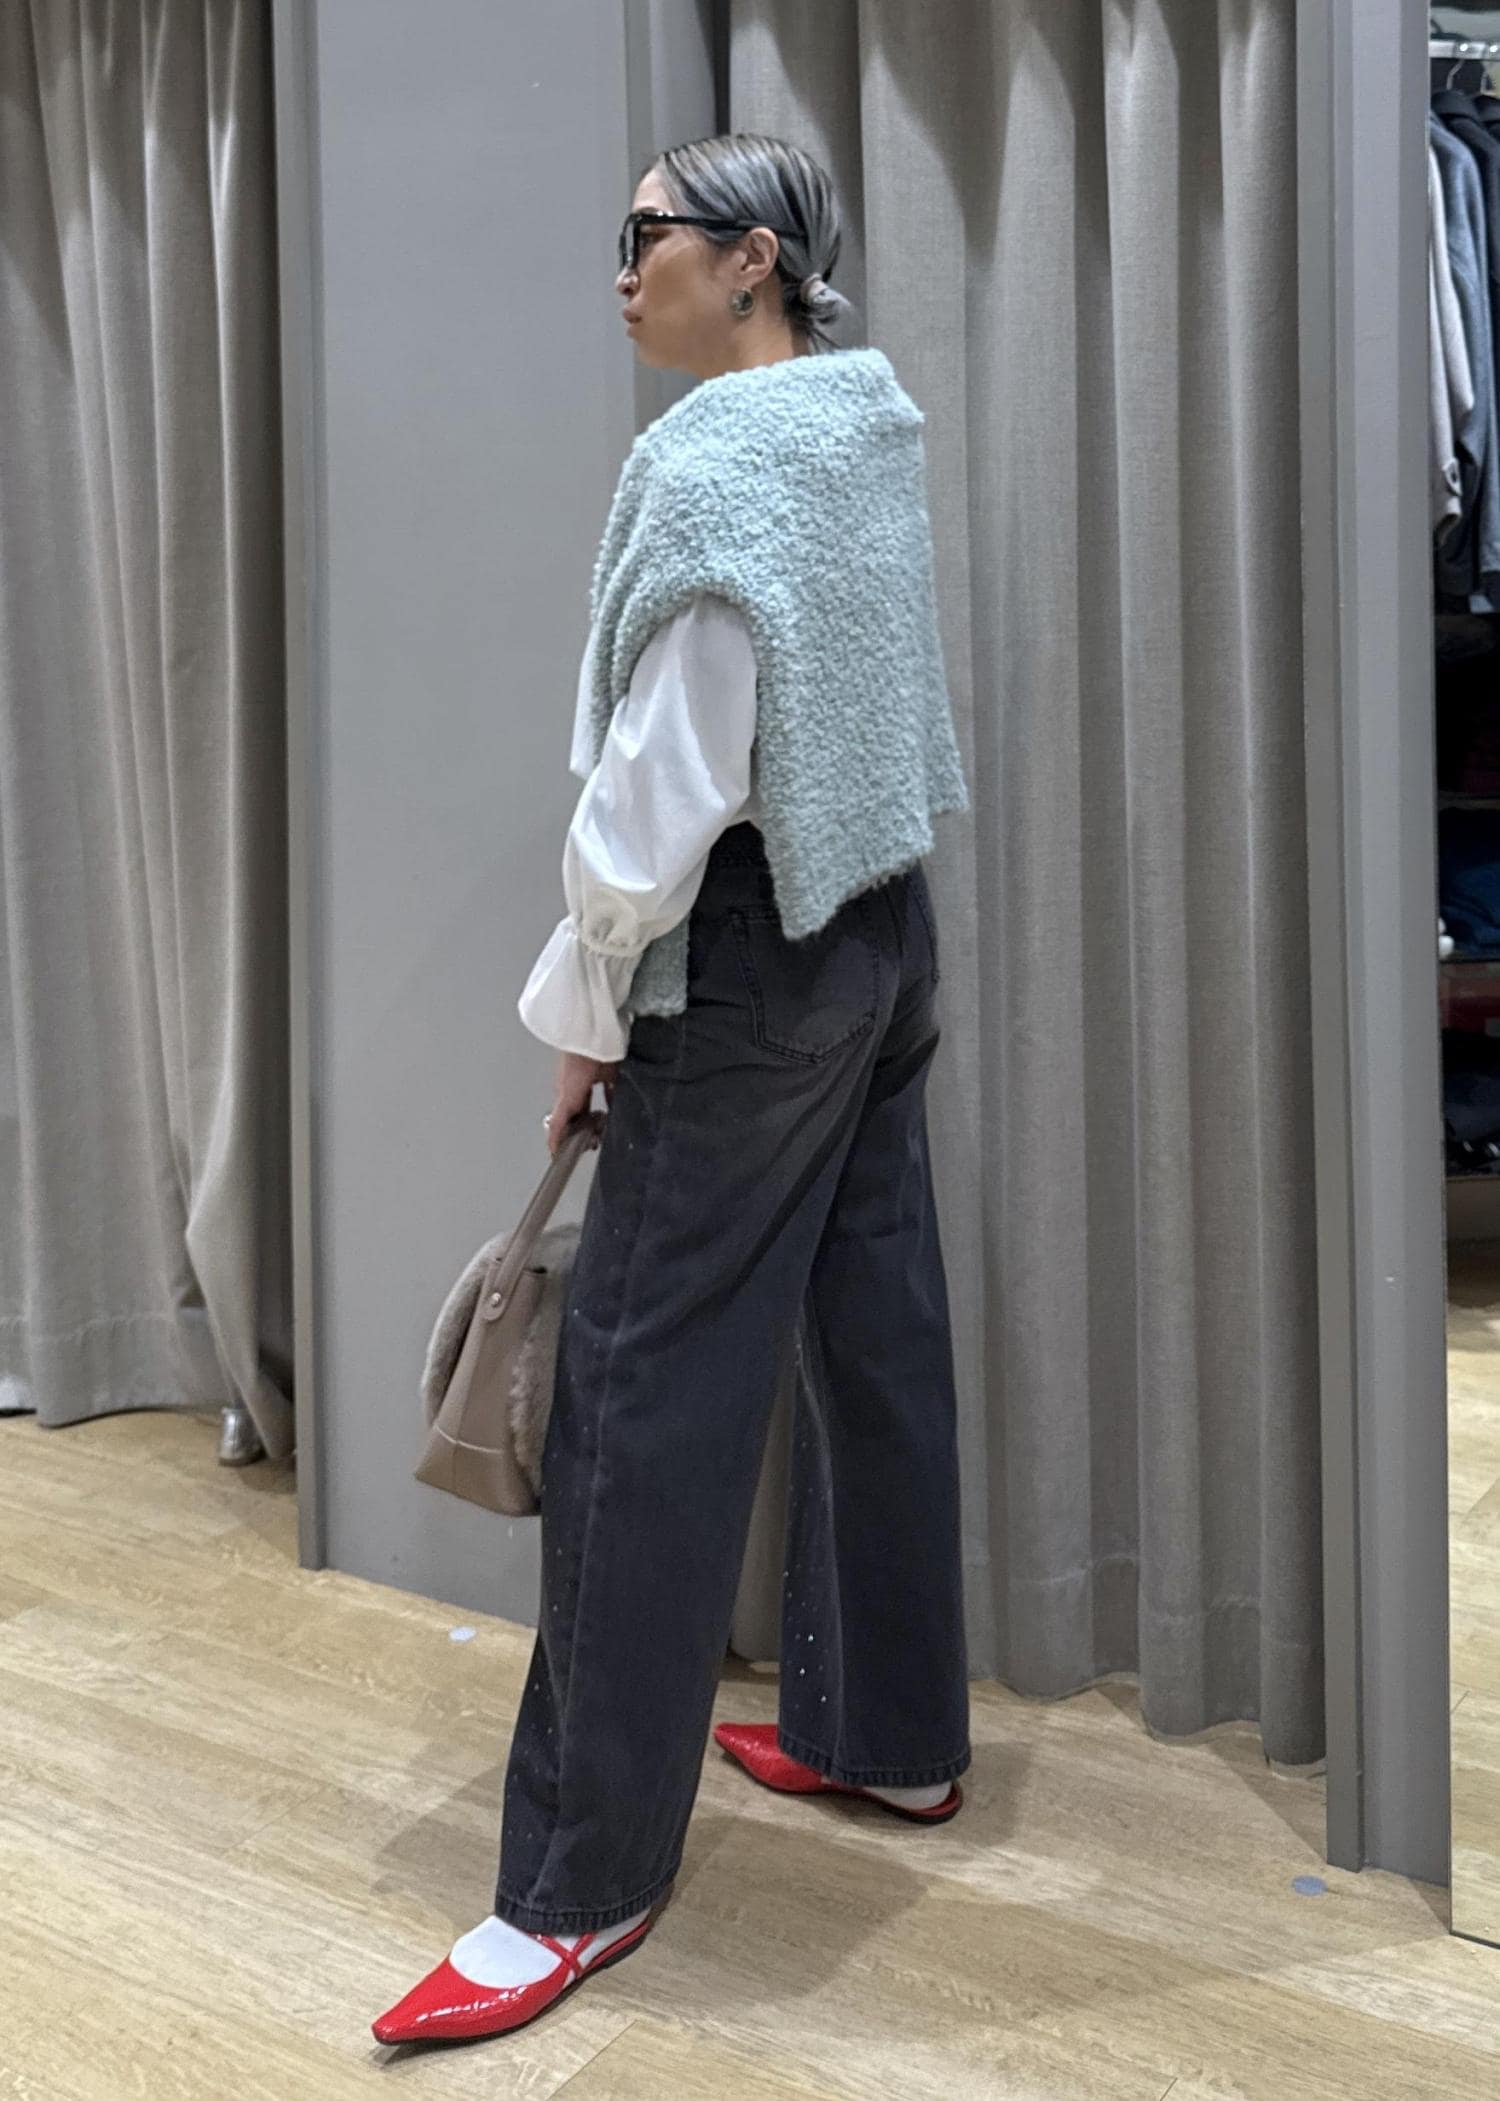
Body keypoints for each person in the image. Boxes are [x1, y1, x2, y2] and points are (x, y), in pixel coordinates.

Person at [372, 130, 973, 2050]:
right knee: (874, 1331)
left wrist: (591, 1010)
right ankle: (893, 1735)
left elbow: (663, 790)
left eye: (644, 235)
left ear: (754, 256)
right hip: (879, 926)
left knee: (637, 1392)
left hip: (747, 959)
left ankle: (574, 1880)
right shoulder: (865, 421)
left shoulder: (714, 464)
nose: (618, 270)